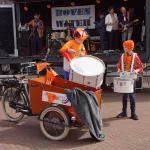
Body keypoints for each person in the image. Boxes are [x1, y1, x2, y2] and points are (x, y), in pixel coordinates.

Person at [116, 40, 144, 120]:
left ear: (129, 48)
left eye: (125, 47)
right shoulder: (122, 56)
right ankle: (124, 112)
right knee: (124, 96)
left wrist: (136, 70)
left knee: (132, 96)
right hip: (124, 78)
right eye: (124, 47)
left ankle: (133, 114)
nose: (124, 48)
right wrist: (118, 69)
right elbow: (119, 65)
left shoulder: (135, 57)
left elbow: (141, 67)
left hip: (132, 79)